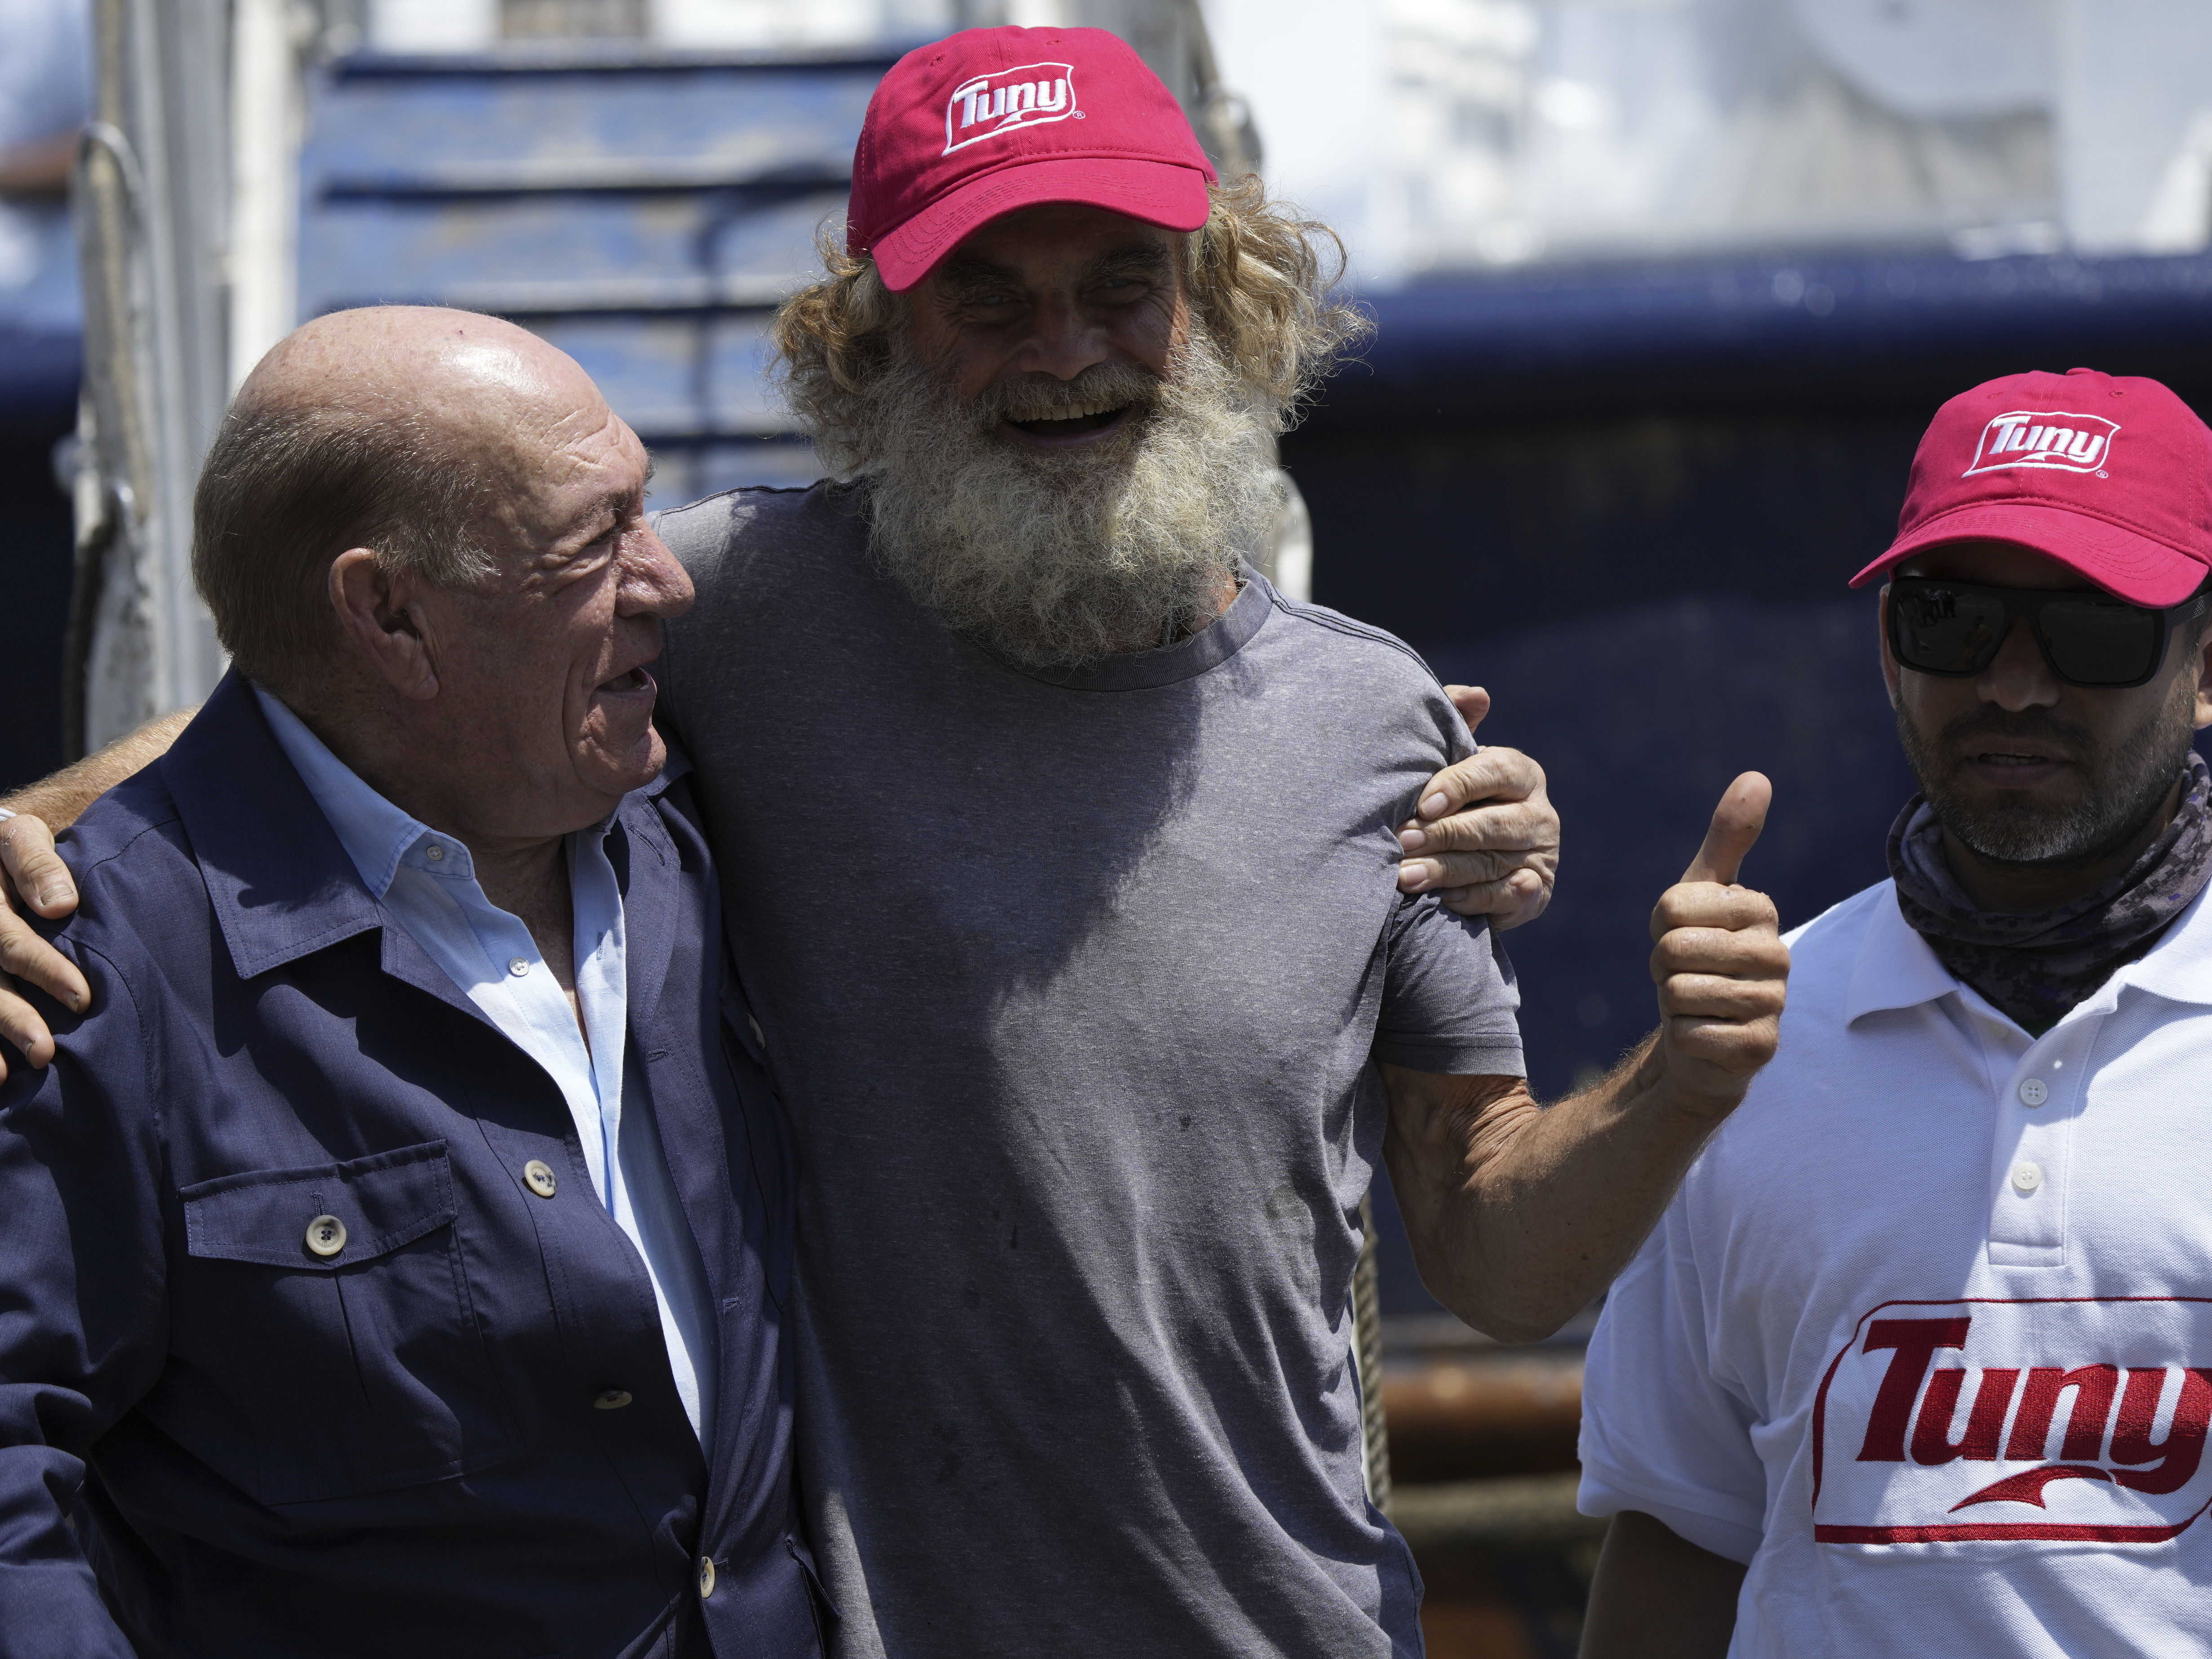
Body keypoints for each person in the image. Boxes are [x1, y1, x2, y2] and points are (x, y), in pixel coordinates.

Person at [1, 26, 1790, 1658]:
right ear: (877, 343)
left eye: (1122, 285)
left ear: (1219, 299)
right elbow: (358, 686)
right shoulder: (733, 609)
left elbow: (1488, 1258)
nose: (1065, 349)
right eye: (985, 298)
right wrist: (29, 829)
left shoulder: (1374, 719)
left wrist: (1681, 1077)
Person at [0, 308, 819, 1655]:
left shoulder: (701, 815)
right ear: (388, 614)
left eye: (646, 511)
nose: (670, 582)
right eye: (593, 541)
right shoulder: (96, 976)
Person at [1576, 366, 2212, 1658]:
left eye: (2093, 628)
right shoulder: (1742, 1050)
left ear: (2206, 669)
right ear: (1886, 651)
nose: (2014, 683)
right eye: (1952, 619)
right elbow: (1681, 1536)